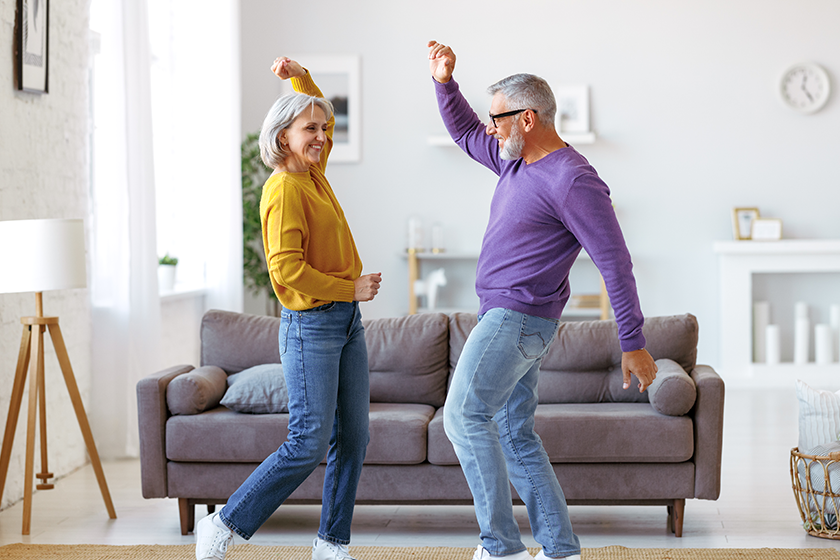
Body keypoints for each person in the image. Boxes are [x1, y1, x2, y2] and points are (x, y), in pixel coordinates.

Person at [426, 41, 659, 560]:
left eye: (498, 118)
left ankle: (500, 549)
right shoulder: (516, 162)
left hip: (518, 319)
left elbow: (615, 262)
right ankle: (560, 550)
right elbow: (465, 132)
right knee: (513, 430)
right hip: (509, 317)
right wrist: (445, 83)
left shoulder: (573, 179)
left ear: (527, 118)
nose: (489, 127)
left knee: (462, 417)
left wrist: (634, 341)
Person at [195, 56, 382, 560]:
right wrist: (353, 288)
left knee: (355, 437)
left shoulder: (314, 172)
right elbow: (287, 273)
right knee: (308, 442)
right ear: (282, 137)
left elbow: (326, 117)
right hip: (311, 327)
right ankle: (225, 523)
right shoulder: (284, 188)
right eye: (309, 129)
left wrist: (300, 78)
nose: (321, 135)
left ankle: (332, 543)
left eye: (323, 128)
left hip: (345, 325)